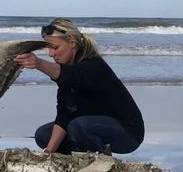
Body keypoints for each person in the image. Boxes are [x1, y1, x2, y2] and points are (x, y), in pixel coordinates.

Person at [14, 18, 144, 155]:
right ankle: (78, 157)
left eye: (55, 47)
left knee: (77, 126)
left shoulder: (93, 65)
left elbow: (70, 74)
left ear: (72, 43)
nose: (51, 54)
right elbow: (64, 116)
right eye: (49, 48)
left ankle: (101, 161)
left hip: (128, 133)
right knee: (43, 135)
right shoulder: (67, 74)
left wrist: (38, 63)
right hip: (88, 126)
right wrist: (48, 151)